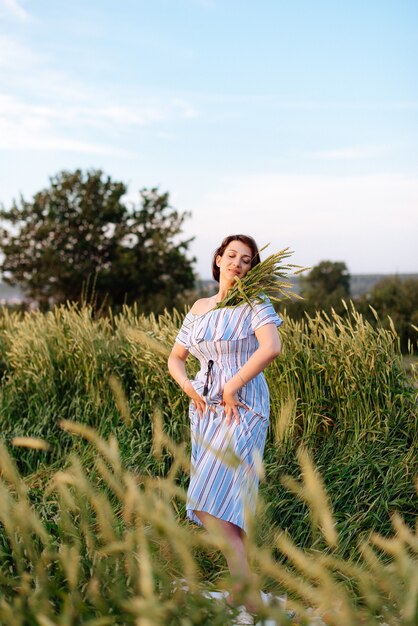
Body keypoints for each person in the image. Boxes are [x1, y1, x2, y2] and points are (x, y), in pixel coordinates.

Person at [168, 234, 283, 616]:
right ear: (218, 259)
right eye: (231, 255)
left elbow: (271, 348)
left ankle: (246, 592)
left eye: (246, 259)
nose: (237, 263)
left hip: (243, 407)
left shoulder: (256, 303)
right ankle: (241, 589)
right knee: (217, 501)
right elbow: (176, 358)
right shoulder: (199, 308)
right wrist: (187, 386)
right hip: (204, 409)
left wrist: (233, 385)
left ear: (252, 267)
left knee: (214, 498)